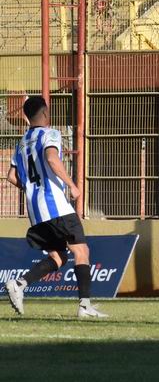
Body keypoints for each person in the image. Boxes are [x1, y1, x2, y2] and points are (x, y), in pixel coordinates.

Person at [5, 96, 108, 317]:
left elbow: (11, 176)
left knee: (58, 256)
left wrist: (33, 187)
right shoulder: (50, 133)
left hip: (36, 212)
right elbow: (52, 158)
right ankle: (85, 306)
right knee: (81, 250)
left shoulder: (22, 142)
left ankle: (20, 284)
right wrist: (72, 185)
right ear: (45, 113)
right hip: (56, 207)